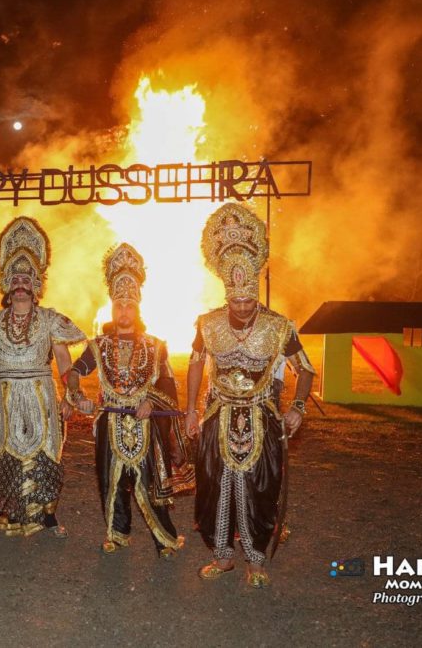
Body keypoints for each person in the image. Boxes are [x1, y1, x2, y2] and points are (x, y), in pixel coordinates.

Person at [185, 203, 315, 588]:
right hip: (218, 416)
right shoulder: (207, 323)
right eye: (235, 301)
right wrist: (190, 410)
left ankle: (256, 561)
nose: (242, 308)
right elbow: (195, 363)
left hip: (262, 417)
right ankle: (223, 556)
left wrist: (298, 407)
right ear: (227, 294)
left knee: (261, 488)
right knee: (214, 486)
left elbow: (305, 368)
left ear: (255, 292)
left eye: (247, 301)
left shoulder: (278, 326)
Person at [0, 217, 85, 537]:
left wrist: (70, 395)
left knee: (44, 454)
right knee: (3, 452)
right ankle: (5, 512)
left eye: (26, 278)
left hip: (40, 395)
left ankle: (47, 516)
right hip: (4, 397)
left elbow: (63, 361)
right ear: (6, 284)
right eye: (15, 278)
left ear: (35, 284)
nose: (20, 284)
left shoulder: (51, 319)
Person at [65, 243, 193, 557]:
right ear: (112, 308)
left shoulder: (156, 346)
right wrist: (78, 395)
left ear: (138, 309)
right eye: (118, 305)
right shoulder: (98, 345)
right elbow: (74, 371)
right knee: (111, 481)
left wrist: (151, 402)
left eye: (129, 306)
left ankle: (164, 538)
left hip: (144, 422)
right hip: (109, 422)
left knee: (150, 481)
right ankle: (116, 533)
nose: (123, 311)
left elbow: (168, 385)